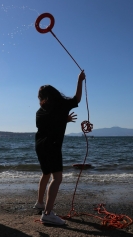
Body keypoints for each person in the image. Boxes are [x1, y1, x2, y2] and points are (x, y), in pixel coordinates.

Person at [34, 71, 86, 225]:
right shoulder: (61, 104)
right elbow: (77, 98)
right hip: (53, 145)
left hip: (39, 145)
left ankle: (39, 203)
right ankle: (48, 214)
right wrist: (79, 80)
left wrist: (64, 119)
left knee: (46, 174)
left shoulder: (40, 111)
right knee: (57, 178)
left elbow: (49, 124)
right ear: (55, 93)